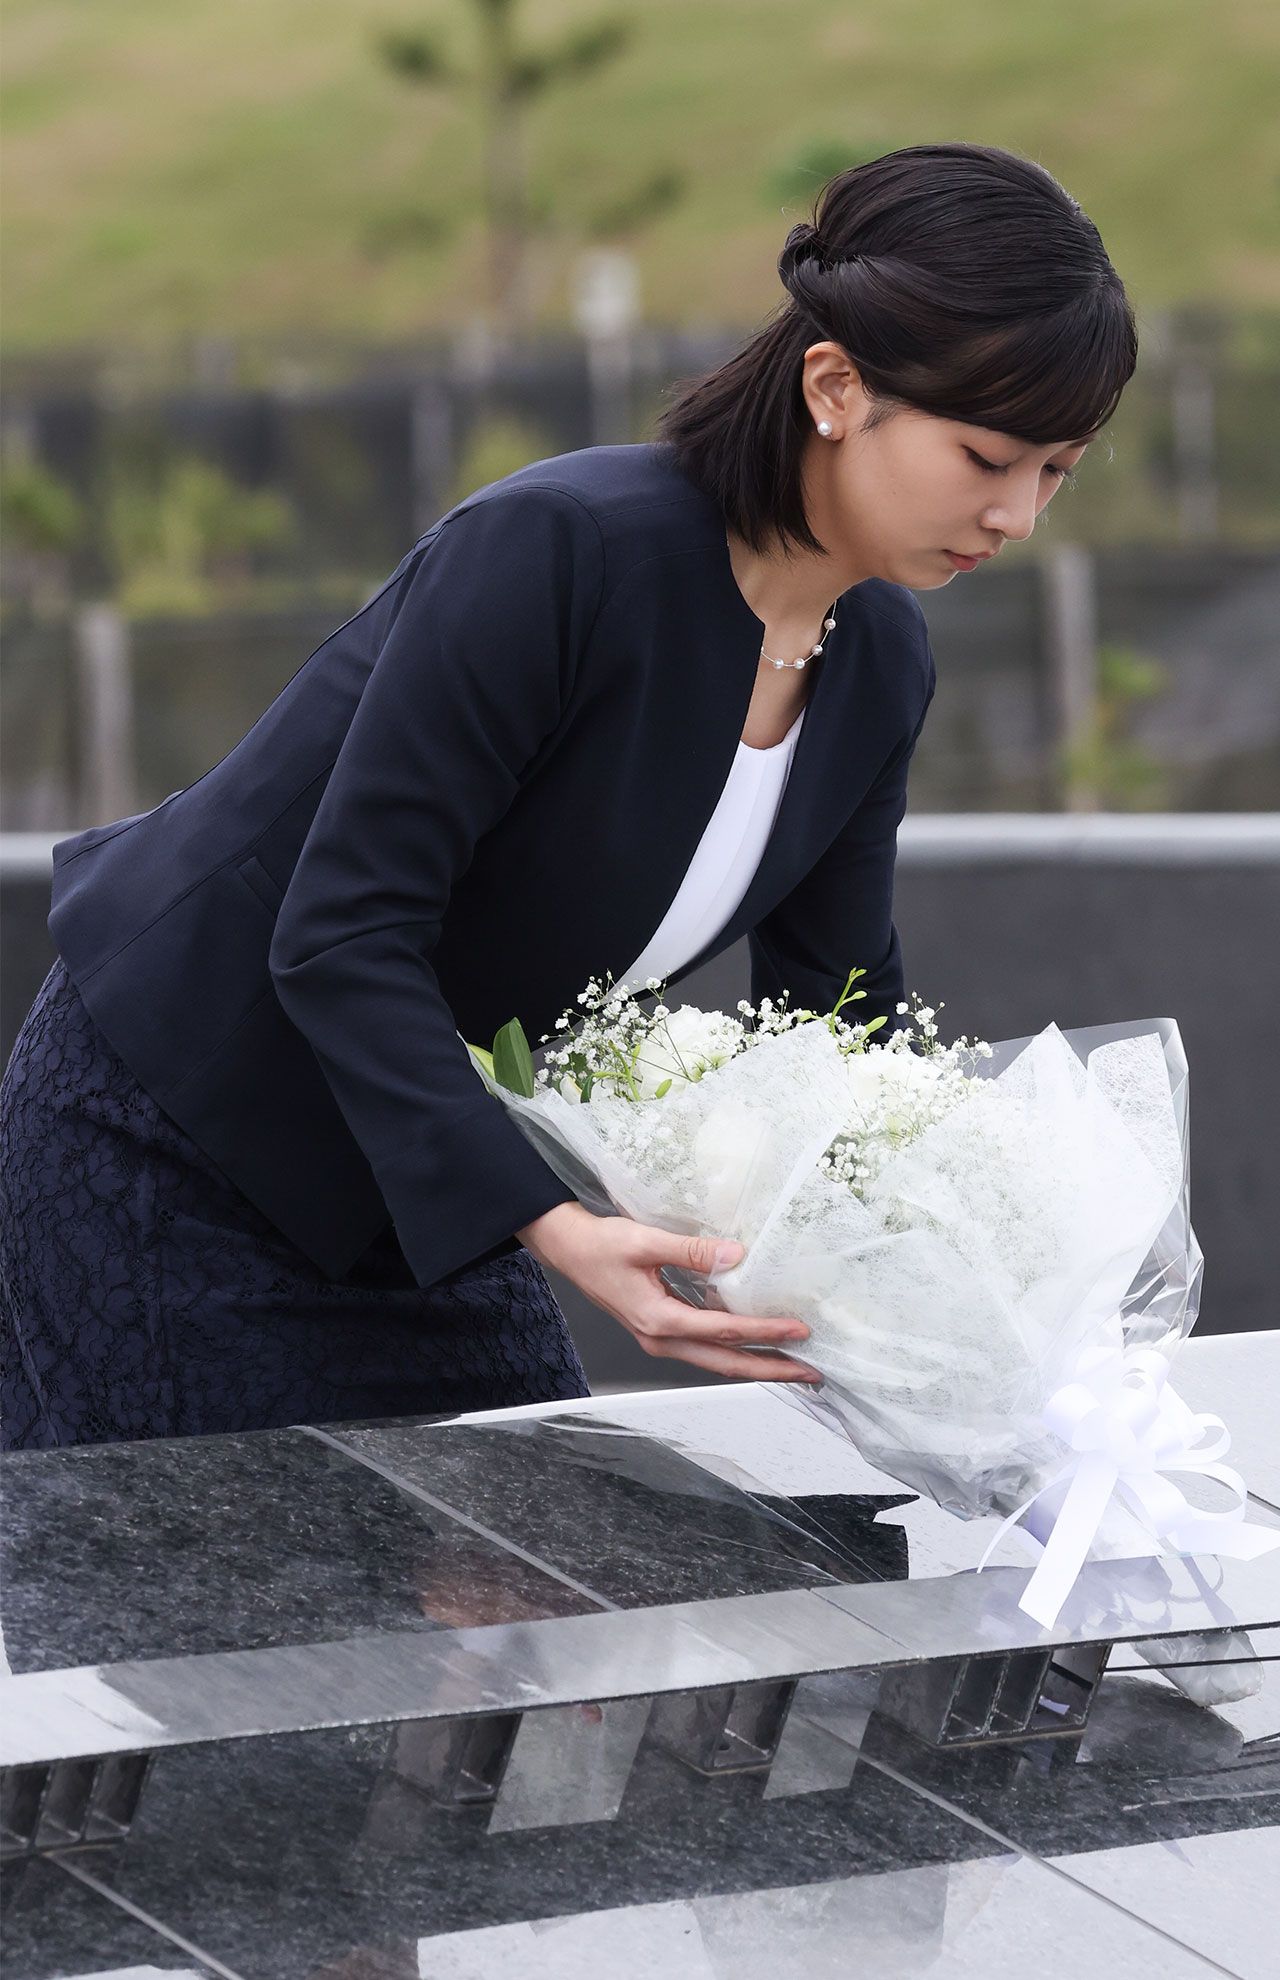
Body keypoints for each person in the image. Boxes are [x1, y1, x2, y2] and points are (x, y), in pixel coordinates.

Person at [0, 141, 1136, 1449]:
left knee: (520, 1602)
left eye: (1057, 471)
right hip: (177, 1144)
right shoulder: (562, 555)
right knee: (232, 1629)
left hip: (429, 1179)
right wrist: (559, 1226)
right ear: (836, 385)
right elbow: (340, 929)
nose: (1019, 516)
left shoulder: (879, 660)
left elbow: (834, 1020)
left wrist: (977, 1292)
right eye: (987, 456)